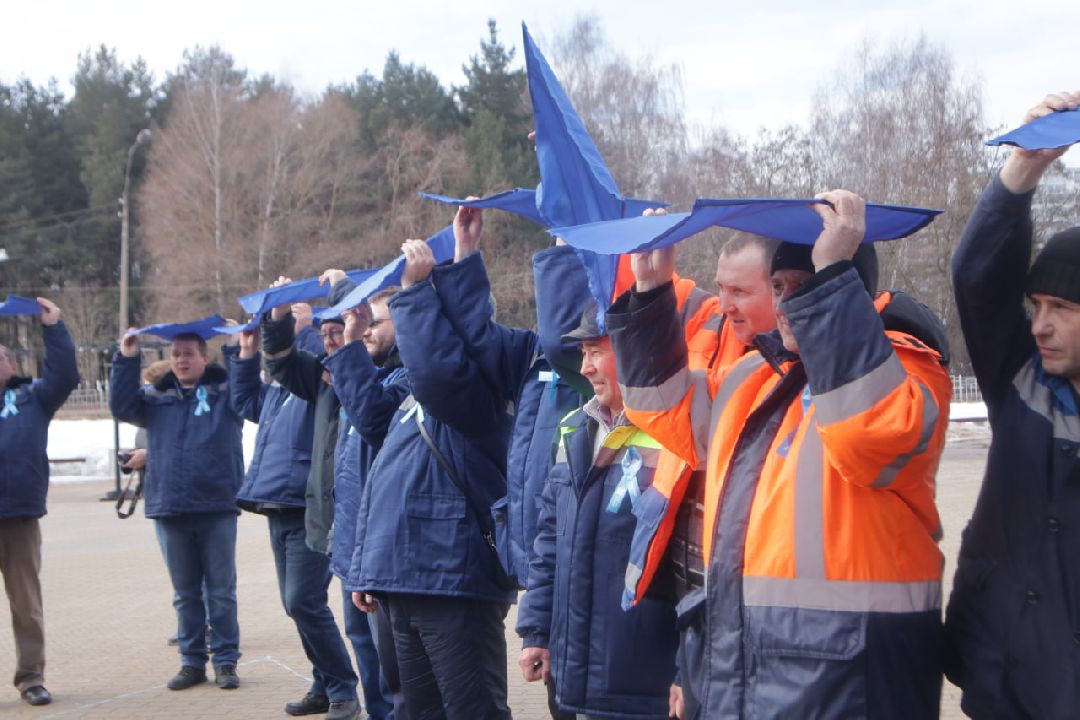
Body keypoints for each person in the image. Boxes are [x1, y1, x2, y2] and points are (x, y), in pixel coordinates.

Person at [607, 190, 951, 718]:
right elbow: (664, 412)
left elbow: (868, 439)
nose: (789, 303)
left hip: (853, 680)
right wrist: (651, 292)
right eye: (780, 287)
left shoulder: (909, 369)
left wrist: (832, 275)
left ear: (847, 290)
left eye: (803, 286)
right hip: (749, 671)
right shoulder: (755, 375)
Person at [331, 240, 515, 720]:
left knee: (472, 710)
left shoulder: (472, 386)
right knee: (413, 710)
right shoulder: (406, 391)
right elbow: (372, 423)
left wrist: (420, 287)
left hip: (452, 578)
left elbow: (439, 367)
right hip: (402, 578)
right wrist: (368, 568)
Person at [944, 90, 1080, 719]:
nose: (1041, 326)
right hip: (1001, 679)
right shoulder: (1019, 380)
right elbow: (977, 272)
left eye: (1063, 310)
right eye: (1037, 308)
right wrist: (1026, 165)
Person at [517, 303, 677, 720]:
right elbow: (549, 539)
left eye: (594, 352)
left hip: (642, 681)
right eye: (583, 354)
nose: (585, 368)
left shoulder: (678, 432)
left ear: (633, 351)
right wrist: (536, 631)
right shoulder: (573, 426)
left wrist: (688, 670)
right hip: (570, 675)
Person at [261, 285, 391, 720]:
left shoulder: (389, 377)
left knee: (377, 638)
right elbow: (278, 360)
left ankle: (353, 695)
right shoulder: (321, 379)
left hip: (374, 533)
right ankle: (348, 694)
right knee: (357, 632)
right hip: (333, 527)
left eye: (344, 330)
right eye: (328, 332)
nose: (335, 339)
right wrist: (278, 315)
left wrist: (341, 292)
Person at [230, 308, 364, 719]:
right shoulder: (279, 391)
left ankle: (343, 688)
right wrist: (248, 354)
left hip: (309, 506)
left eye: (332, 332)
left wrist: (295, 326)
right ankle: (324, 683)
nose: (326, 339)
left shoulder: (322, 379)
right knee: (297, 605)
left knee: (303, 601)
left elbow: (302, 360)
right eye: (321, 332)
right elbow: (244, 401)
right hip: (276, 504)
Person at [109, 329, 244, 691]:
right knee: (185, 593)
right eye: (177, 353)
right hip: (170, 507)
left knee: (220, 591)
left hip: (216, 506)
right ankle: (192, 661)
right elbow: (121, 406)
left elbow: (245, 387)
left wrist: (235, 347)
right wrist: (126, 357)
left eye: (189, 353)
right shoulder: (156, 398)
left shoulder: (224, 394)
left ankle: (226, 660)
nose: (182, 359)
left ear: (204, 358)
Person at [0, 298, 79, 707]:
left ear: (11, 366)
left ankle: (31, 677)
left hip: (18, 517)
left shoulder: (33, 399)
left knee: (26, 604)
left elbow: (65, 375)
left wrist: (53, 328)